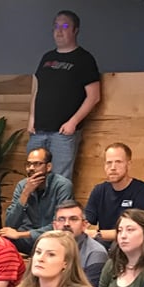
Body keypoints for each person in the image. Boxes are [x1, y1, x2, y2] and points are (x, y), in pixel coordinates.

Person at [27, 10, 101, 181]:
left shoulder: (84, 59)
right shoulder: (47, 57)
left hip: (63, 133)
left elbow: (94, 96)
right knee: (33, 179)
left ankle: (59, 209)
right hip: (38, 130)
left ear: (75, 30)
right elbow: (36, 89)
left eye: (65, 26)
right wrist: (32, 118)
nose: (59, 31)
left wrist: (73, 122)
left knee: (60, 180)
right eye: (56, 26)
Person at [1, 147, 73, 254]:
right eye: (28, 164)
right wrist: (25, 194)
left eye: (37, 164)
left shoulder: (62, 186)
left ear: (48, 167)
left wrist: (22, 234)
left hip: (52, 238)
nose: (31, 168)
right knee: (3, 239)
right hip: (26, 240)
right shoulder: (22, 186)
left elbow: (59, 225)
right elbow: (10, 223)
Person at [86, 143, 144, 247]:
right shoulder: (99, 190)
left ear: (128, 164)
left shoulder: (142, 191)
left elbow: (138, 230)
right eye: (109, 163)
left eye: (118, 162)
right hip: (104, 245)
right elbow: (86, 220)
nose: (113, 167)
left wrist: (98, 234)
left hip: (134, 246)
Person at [53, 200, 107, 284]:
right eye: (61, 219)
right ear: (54, 225)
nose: (66, 224)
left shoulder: (95, 252)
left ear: (84, 225)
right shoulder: (46, 248)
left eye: (73, 219)